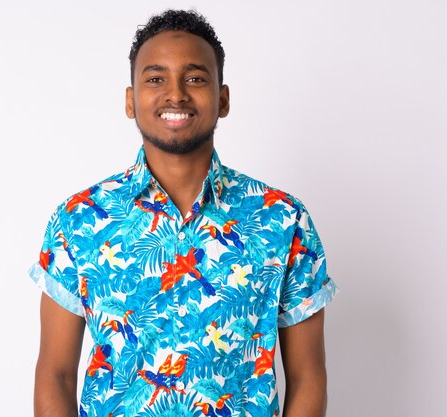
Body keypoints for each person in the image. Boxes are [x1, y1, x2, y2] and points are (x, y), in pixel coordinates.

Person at [30, 9, 338, 417]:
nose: (175, 94)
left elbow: (308, 378)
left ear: (223, 98)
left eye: (195, 78)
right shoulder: (78, 219)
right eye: (155, 79)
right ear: (130, 100)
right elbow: (56, 375)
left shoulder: (283, 220)